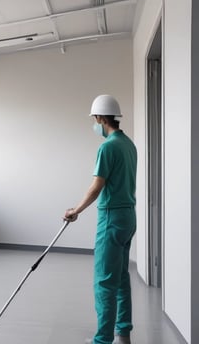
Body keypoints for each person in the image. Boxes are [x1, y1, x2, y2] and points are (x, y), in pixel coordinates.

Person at [63, 95, 137, 344]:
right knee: (121, 277)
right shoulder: (129, 144)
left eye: (95, 119)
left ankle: (103, 340)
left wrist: (76, 210)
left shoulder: (107, 147)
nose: (94, 124)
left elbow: (96, 187)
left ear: (101, 118)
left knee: (105, 281)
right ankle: (123, 333)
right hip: (129, 216)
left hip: (112, 218)